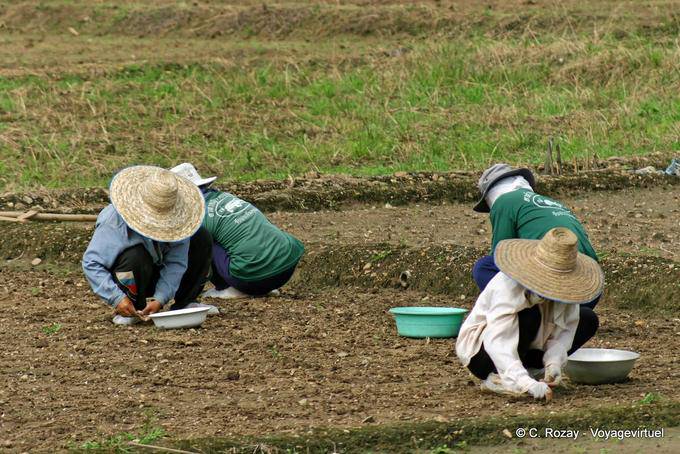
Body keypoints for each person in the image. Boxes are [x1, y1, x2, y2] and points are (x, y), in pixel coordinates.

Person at [456, 227, 603, 401]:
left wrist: (554, 363)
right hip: (485, 355)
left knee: (587, 319)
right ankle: (504, 376)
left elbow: (566, 328)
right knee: (529, 314)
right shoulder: (507, 286)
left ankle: (533, 370)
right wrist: (525, 383)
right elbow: (497, 340)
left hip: (531, 348)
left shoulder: (566, 292)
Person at [82, 166, 215, 325]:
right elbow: (92, 263)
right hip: (131, 274)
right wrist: (116, 298)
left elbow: (176, 262)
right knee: (136, 255)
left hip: (159, 271)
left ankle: (185, 301)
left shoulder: (179, 221)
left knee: (200, 237)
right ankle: (131, 308)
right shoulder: (114, 223)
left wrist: (160, 298)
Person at [471, 163, 600, 308]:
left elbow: (501, 255)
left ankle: (528, 314)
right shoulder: (555, 203)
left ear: (491, 195)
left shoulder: (504, 201)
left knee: (484, 266)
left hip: (550, 282)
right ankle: (569, 314)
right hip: (589, 289)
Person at [170, 163, 304, 298]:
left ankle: (227, 287)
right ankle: (261, 287)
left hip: (252, 279)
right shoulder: (226, 197)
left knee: (201, 241)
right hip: (287, 266)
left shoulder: (196, 215)